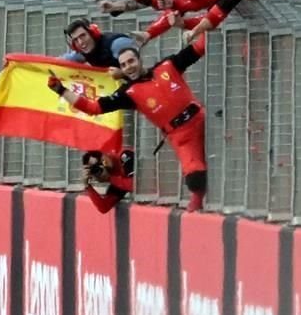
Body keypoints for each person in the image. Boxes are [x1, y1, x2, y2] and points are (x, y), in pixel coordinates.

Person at [47, 37, 209, 212]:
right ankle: (198, 201)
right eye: (123, 65)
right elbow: (93, 107)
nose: (128, 67)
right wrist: (61, 90)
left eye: (131, 61)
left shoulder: (168, 65)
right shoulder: (128, 93)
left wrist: (208, 23)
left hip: (203, 119)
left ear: (139, 60)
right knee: (195, 178)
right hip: (181, 136)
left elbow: (199, 47)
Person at [60, 18, 137, 68]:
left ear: (93, 33)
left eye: (83, 35)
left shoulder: (117, 44)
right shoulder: (82, 52)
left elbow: (137, 66)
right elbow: (60, 61)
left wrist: (121, 73)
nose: (80, 42)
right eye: (76, 40)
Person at [81, 149, 135, 214]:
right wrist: (88, 186)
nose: (103, 165)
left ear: (104, 153)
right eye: (97, 168)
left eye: (101, 161)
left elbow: (137, 185)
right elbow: (104, 207)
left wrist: (110, 179)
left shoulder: (124, 156)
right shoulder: (115, 180)